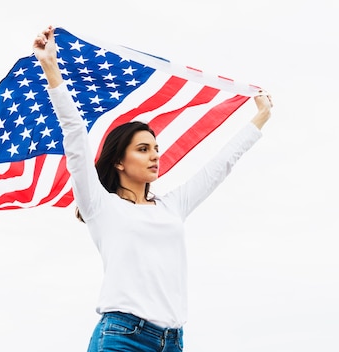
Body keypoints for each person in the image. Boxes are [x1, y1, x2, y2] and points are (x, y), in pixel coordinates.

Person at [33, 25, 273, 352]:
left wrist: (259, 119)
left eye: (155, 149)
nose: (154, 156)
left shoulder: (172, 206)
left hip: (172, 341)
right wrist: (51, 68)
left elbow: (219, 167)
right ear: (119, 161)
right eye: (143, 149)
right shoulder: (101, 207)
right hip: (123, 337)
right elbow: (75, 136)